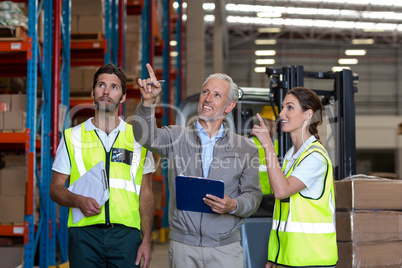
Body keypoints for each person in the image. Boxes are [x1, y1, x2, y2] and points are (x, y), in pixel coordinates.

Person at [134, 63, 262, 268]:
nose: (208, 99)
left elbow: (253, 196)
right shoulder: (176, 137)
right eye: (205, 92)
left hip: (225, 249)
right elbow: (145, 136)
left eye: (217, 95)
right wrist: (148, 102)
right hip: (184, 246)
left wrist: (234, 205)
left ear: (229, 107)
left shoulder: (245, 148)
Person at [49, 63, 155, 268]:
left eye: (114, 87)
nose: (106, 91)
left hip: (126, 236)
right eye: (101, 85)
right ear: (92, 92)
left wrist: (147, 239)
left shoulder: (139, 139)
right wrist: (78, 200)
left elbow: (147, 193)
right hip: (84, 236)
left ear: (123, 97)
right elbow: (55, 188)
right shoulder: (72, 137)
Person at [251, 87, 338, 268]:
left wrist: (267, 144)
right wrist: (275, 257)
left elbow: (281, 191)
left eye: (289, 108)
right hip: (289, 258)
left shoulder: (315, 157)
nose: (281, 113)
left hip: (311, 258)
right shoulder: (292, 154)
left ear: (308, 114)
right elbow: (285, 215)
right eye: (282, 107)